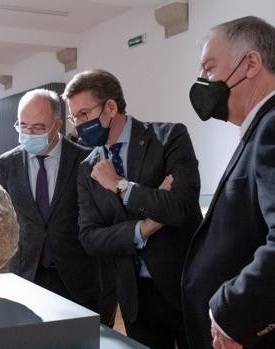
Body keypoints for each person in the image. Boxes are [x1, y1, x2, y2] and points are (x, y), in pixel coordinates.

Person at [182, 16, 275, 349]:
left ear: (251, 63)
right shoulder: (274, 123)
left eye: (209, 68)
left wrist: (235, 314)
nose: (202, 81)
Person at [64, 69, 202, 349]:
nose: (78, 125)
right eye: (74, 117)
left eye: (83, 115)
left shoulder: (168, 138)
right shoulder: (87, 168)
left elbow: (180, 208)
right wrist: (145, 227)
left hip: (185, 286)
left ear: (110, 107)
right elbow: (90, 237)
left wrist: (120, 186)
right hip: (135, 297)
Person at [0, 89, 100, 318]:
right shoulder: (7, 164)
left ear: (57, 125)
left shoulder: (86, 159)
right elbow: (3, 221)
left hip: (76, 280)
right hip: (26, 277)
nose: (29, 134)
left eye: (38, 128)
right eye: (23, 126)